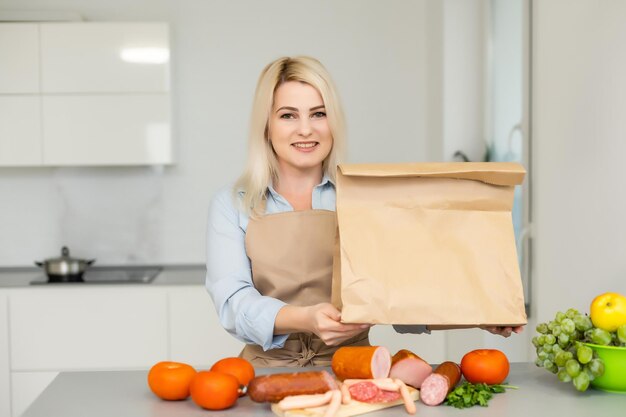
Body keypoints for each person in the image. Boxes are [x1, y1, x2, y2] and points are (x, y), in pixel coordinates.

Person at [206, 56, 522, 368]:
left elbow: (397, 295)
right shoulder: (232, 204)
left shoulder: (363, 196)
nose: (305, 129)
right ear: (266, 125)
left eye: (318, 114)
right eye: (288, 115)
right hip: (264, 374)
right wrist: (306, 318)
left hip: (354, 371)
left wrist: (479, 313)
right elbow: (233, 304)